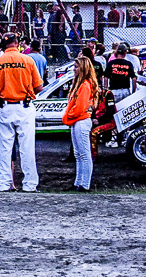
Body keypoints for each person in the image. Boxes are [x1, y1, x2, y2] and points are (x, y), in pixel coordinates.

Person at [0, 34, 44, 192]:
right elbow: (39, 87)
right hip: (24, 106)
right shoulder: (28, 60)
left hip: (4, 106)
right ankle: (30, 184)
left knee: (4, 147)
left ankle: (4, 183)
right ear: (17, 44)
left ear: (4, 46)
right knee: (27, 147)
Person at [62, 57, 102, 191]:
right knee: (78, 153)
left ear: (83, 68)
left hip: (81, 120)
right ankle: (78, 182)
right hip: (77, 121)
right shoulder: (79, 84)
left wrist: (68, 115)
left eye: (76, 66)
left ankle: (85, 184)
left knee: (84, 153)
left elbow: (80, 106)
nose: (74, 69)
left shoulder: (84, 85)